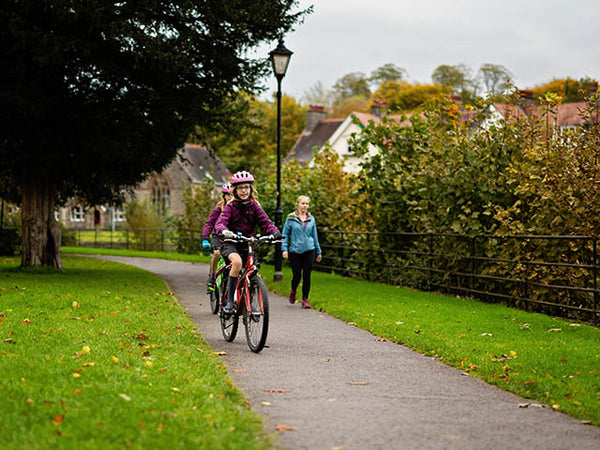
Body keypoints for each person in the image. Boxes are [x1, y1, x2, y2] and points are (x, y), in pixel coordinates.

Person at [214, 171, 281, 314]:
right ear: (235, 191)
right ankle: (231, 301)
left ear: (251, 189)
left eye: (246, 187)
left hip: (247, 244)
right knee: (237, 263)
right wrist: (224, 230)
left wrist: (274, 232)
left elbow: (265, 222)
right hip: (230, 243)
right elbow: (221, 222)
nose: (244, 191)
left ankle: (249, 302)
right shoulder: (231, 207)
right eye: (240, 188)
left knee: (253, 271)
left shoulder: (254, 206)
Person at [282, 195, 322, 309]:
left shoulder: (311, 219)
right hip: (295, 251)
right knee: (297, 275)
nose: (305, 206)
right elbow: (285, 235)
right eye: (303, 203)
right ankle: (293, 291)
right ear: (297, 204)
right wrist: (284, 249)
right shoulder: (290, 218)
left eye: (307, 204)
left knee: (307, 275)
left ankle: (305, 299)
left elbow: (315, 236)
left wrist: (318, 252)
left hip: (310, 250)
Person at [201, 183, 233, 291]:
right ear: (224, 196)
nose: (230, 197)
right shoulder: (219, 209)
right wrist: (205, 238)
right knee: (217, 253)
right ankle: (212, 276)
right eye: (228, 195)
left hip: (231, 237)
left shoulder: (237, 208)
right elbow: (209, 223)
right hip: (217, 236)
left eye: (232, 195)